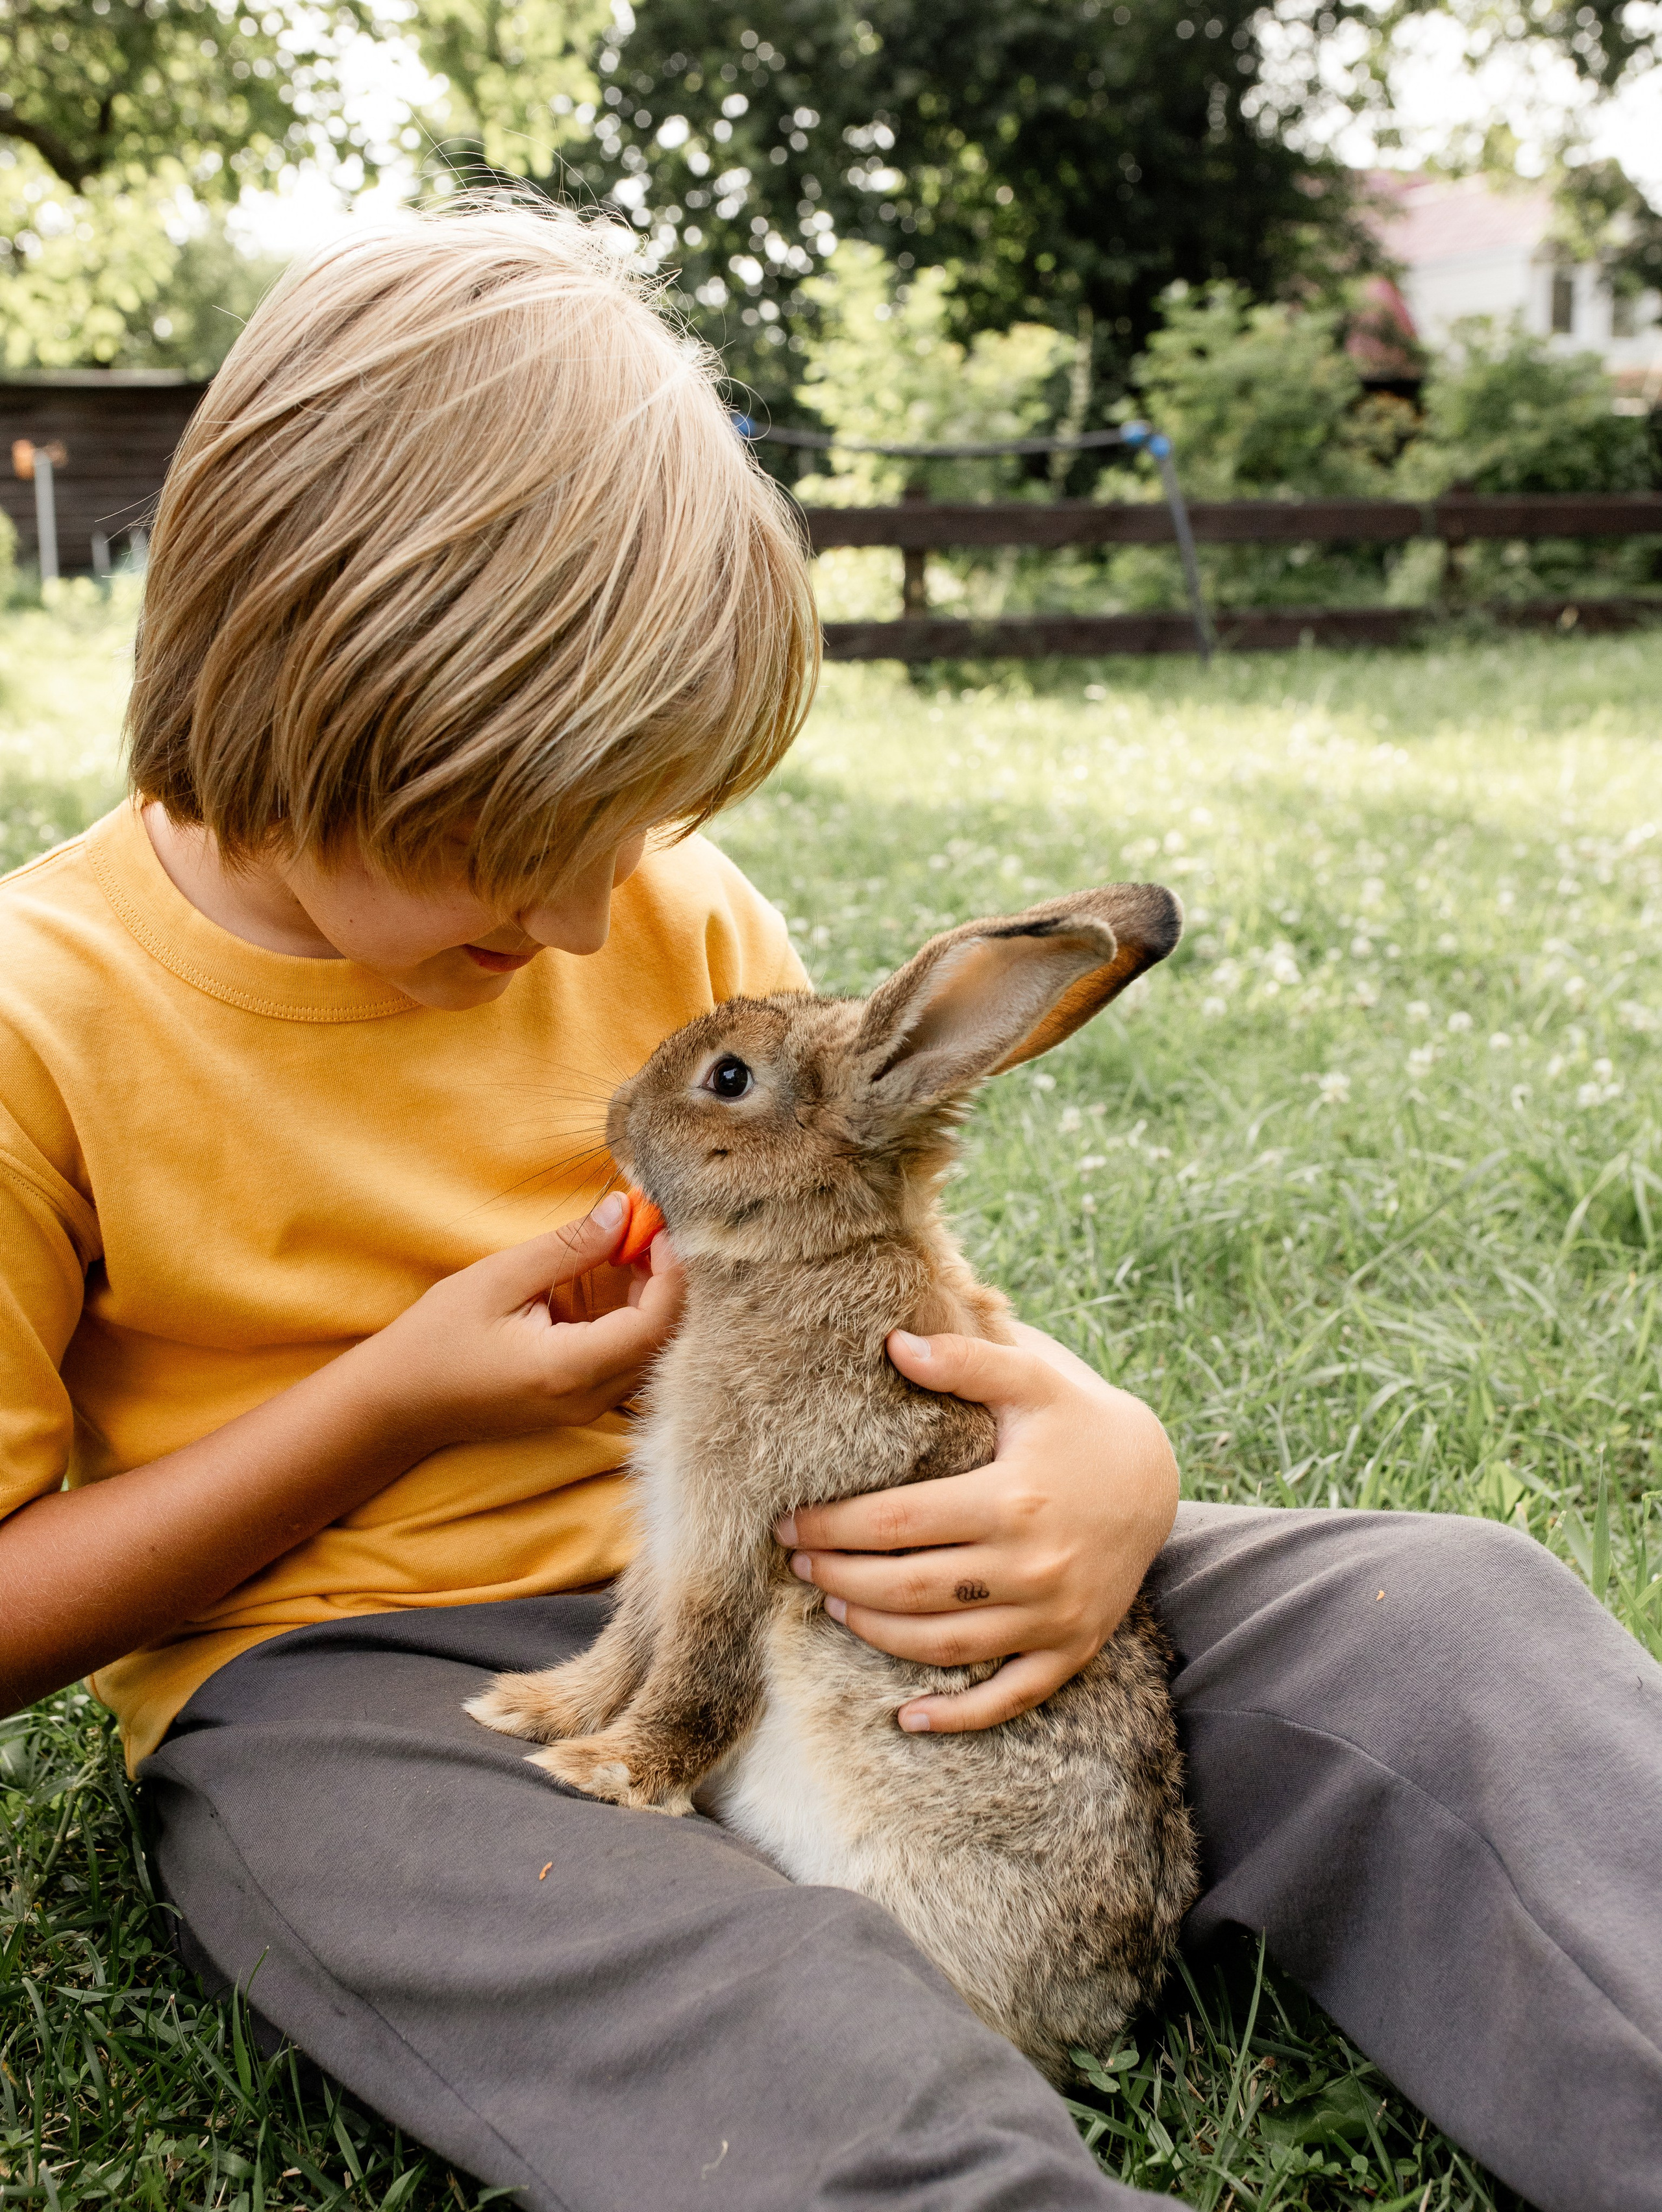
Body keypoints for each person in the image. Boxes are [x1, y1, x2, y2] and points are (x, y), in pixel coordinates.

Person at [0, 201, 1656, 2212]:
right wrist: (391, 1406)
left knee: (1453, 1628)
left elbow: (881, 1286)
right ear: (292, 689)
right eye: (510, 845)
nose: (584, 920)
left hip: (842, 1575)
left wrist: (1102, 1455)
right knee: (755, 2025)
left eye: (626, 832)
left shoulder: (674, 918)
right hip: (365, 1676)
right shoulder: (43, 1021)